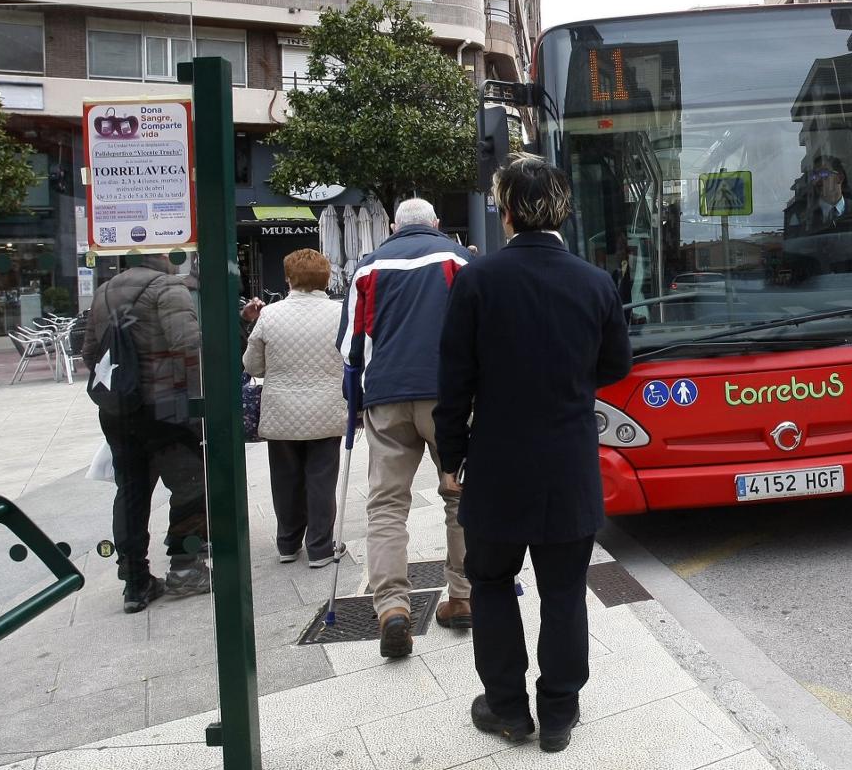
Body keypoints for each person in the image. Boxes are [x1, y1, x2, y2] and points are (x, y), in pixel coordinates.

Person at [434, 153, 632, 753]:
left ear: (509, 210)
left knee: (491, 581)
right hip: (569, 462)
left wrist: (450, 458)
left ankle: (507, 710)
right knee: (565, 588)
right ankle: (560, 714)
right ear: (561, 210)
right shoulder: (595, 282)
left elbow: (454, 381)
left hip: (497, 463)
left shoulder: (477, 280)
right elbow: (616, 366)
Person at [338, 197, 475, 658]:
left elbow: (350, 346)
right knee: (460, 496)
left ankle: (393, 608)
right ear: (438, 224)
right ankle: (463, 595)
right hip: (450, 397)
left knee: (386, 505)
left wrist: (353, 402)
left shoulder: (366, 268)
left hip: (386, 396)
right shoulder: (460, 260)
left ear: (394, 226)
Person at [82, 254, 210, 613]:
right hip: (166, 407)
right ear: (160, 257)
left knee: (131, 491)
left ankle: (135, 581)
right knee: (190, 485)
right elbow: (188, 344)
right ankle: (185, 567)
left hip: (119, 409)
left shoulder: (104, 292)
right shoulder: (168, 288)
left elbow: (89, 353)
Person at [243, 249, 347, 567]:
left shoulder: (270, 315)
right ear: (326, 280)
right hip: (327, 408)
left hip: (281, 411)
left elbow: (253, 365)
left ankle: (288, 544)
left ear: (288, 279)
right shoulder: (340, 313)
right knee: (321, 477)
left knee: (285, 478)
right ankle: (319, 547)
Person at [790, 155, 852, 237]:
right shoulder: (803, 219)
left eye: (823, 173)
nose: (817, 180)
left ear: (840, 178)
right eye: (815, 175)